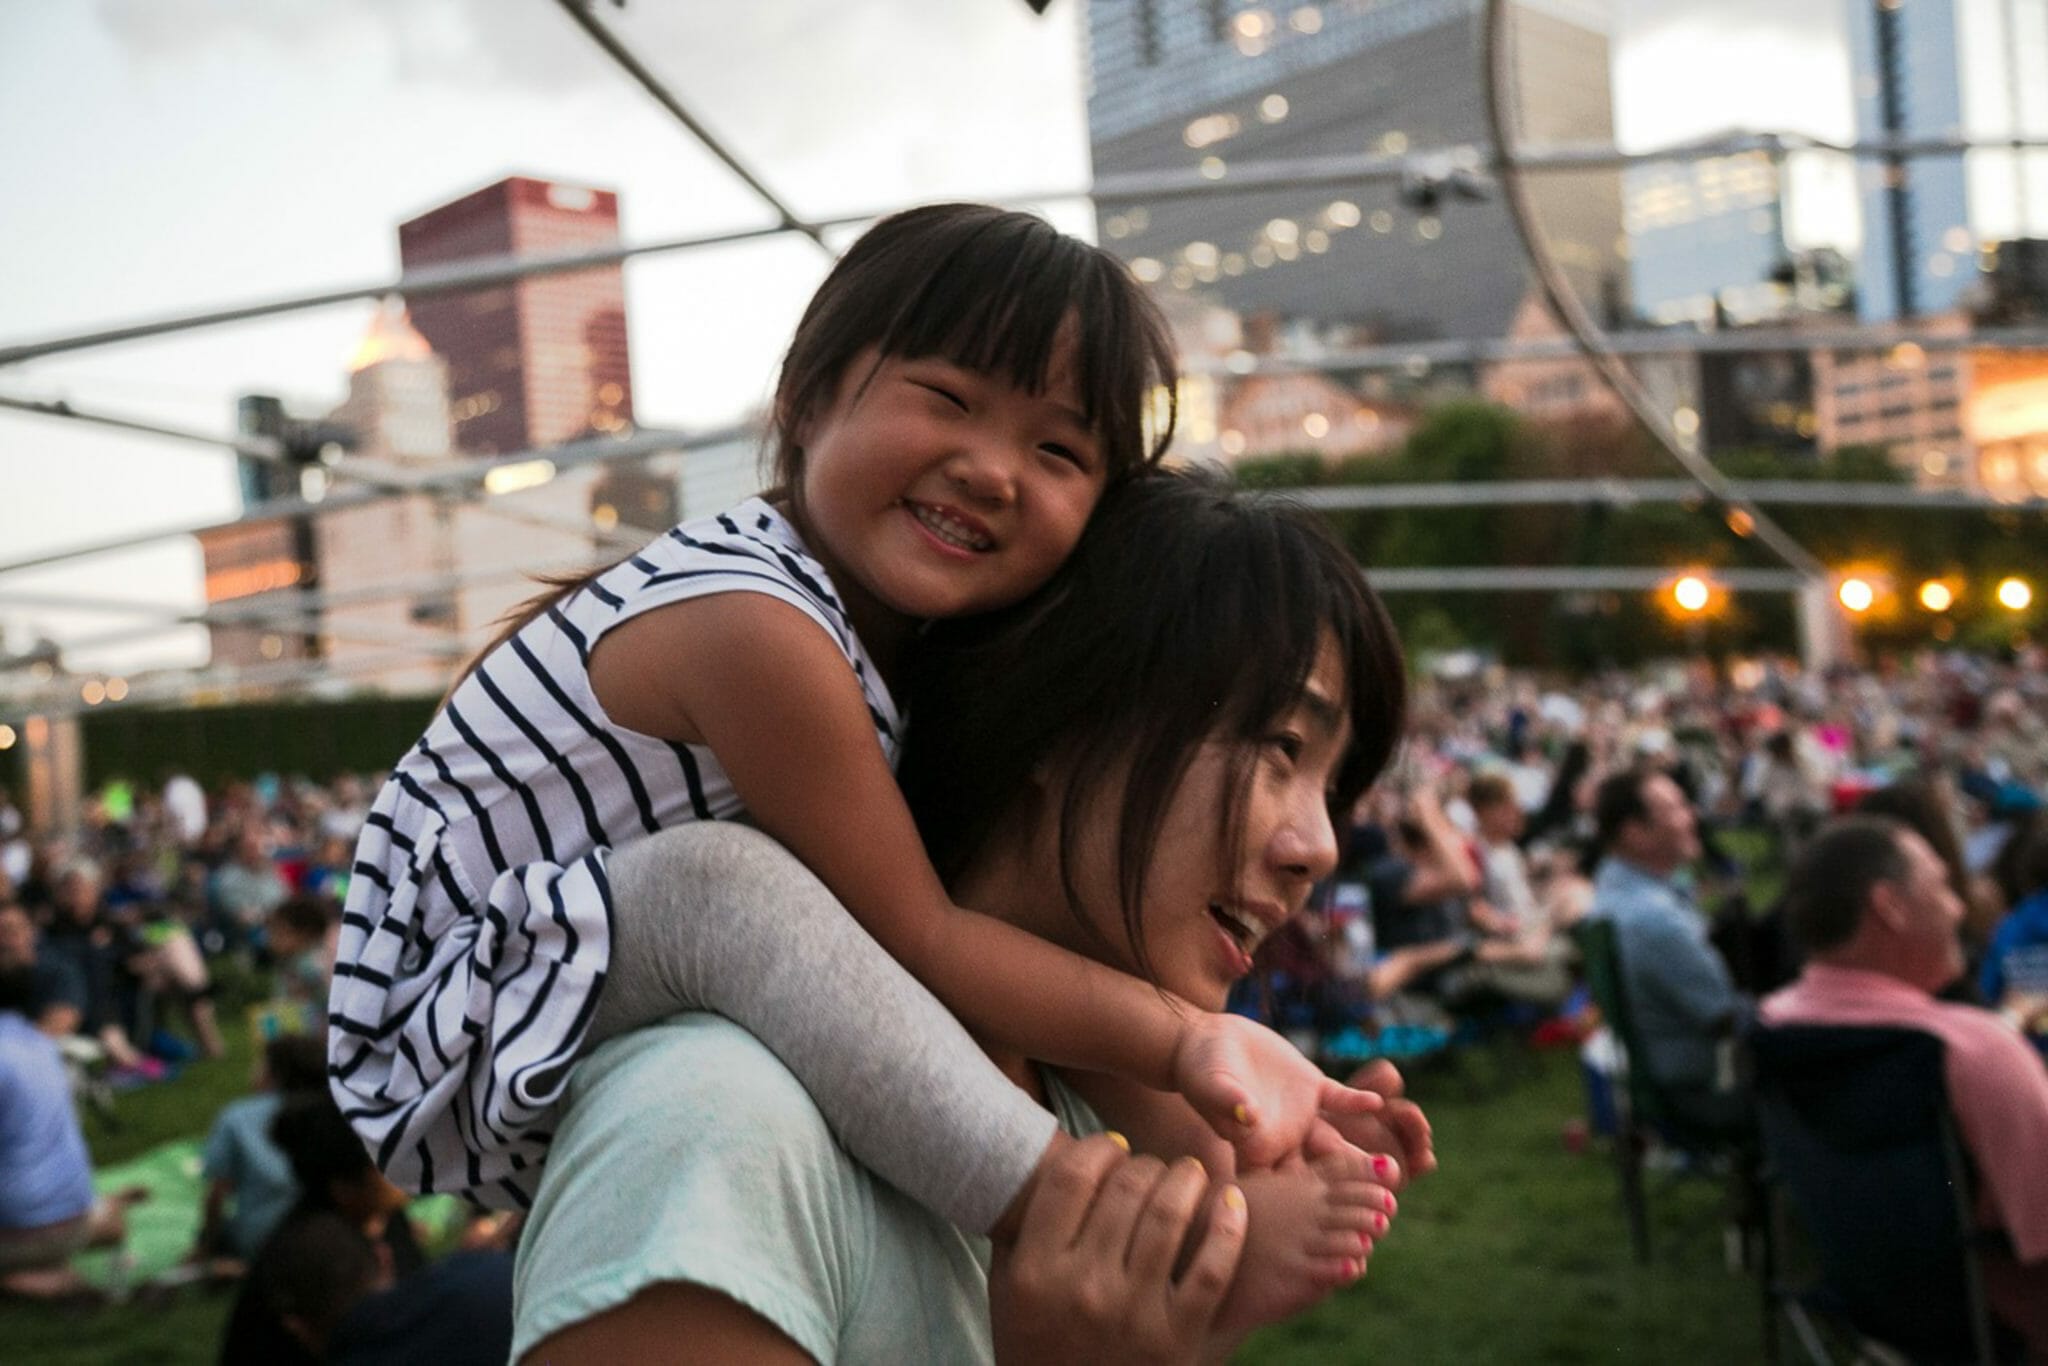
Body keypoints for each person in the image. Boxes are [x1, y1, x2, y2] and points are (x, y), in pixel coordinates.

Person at [330, 204, 1378, 1236]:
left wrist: (1220, 1101)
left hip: (566, 970)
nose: (992, 469)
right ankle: (1052, 1206)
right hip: (441, 1016)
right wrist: (1183, 1038)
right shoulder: (754, 621)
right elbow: (923, 936)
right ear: (806, 396)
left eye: (1059, 451)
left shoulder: (899, 638)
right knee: (722, 889)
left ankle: (1224, 1192)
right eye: (949, 399)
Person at [512, 471, 1424, 1364]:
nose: (1320, 847)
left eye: (1332, 788)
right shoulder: (718, 1131)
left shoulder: (1085, 1111)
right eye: (1282, 746)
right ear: (1067, 719)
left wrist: (1203, 1297)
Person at [1762, 816, 2048, 1355]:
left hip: (1880, 1314)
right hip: (2005, 1330)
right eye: (1942, 887)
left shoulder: (1775, 1024)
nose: (1958, 908)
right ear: (1890, 907)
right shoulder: (1969, 1052)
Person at [1587, 767, 1749, 1135]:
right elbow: (1726, 1016)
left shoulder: (1614, 888)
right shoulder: (1654, 918)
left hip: (1658, 1076)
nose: (1692, 815)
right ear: (1635, 833)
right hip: (1699, 1089)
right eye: (1676, 808)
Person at [0, 964, 144, 1301]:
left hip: (25, 1229)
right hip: (74, 1214)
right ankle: (99, 1222)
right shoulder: (39, 1042)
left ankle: (38, 1278)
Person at [194, 1034, 331, 1266]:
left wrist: (203, 1247)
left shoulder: (237, 1118)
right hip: (329, 1236)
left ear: (272, 1074)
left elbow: (217, 1196)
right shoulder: (332, 1113)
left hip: (261, 1241)